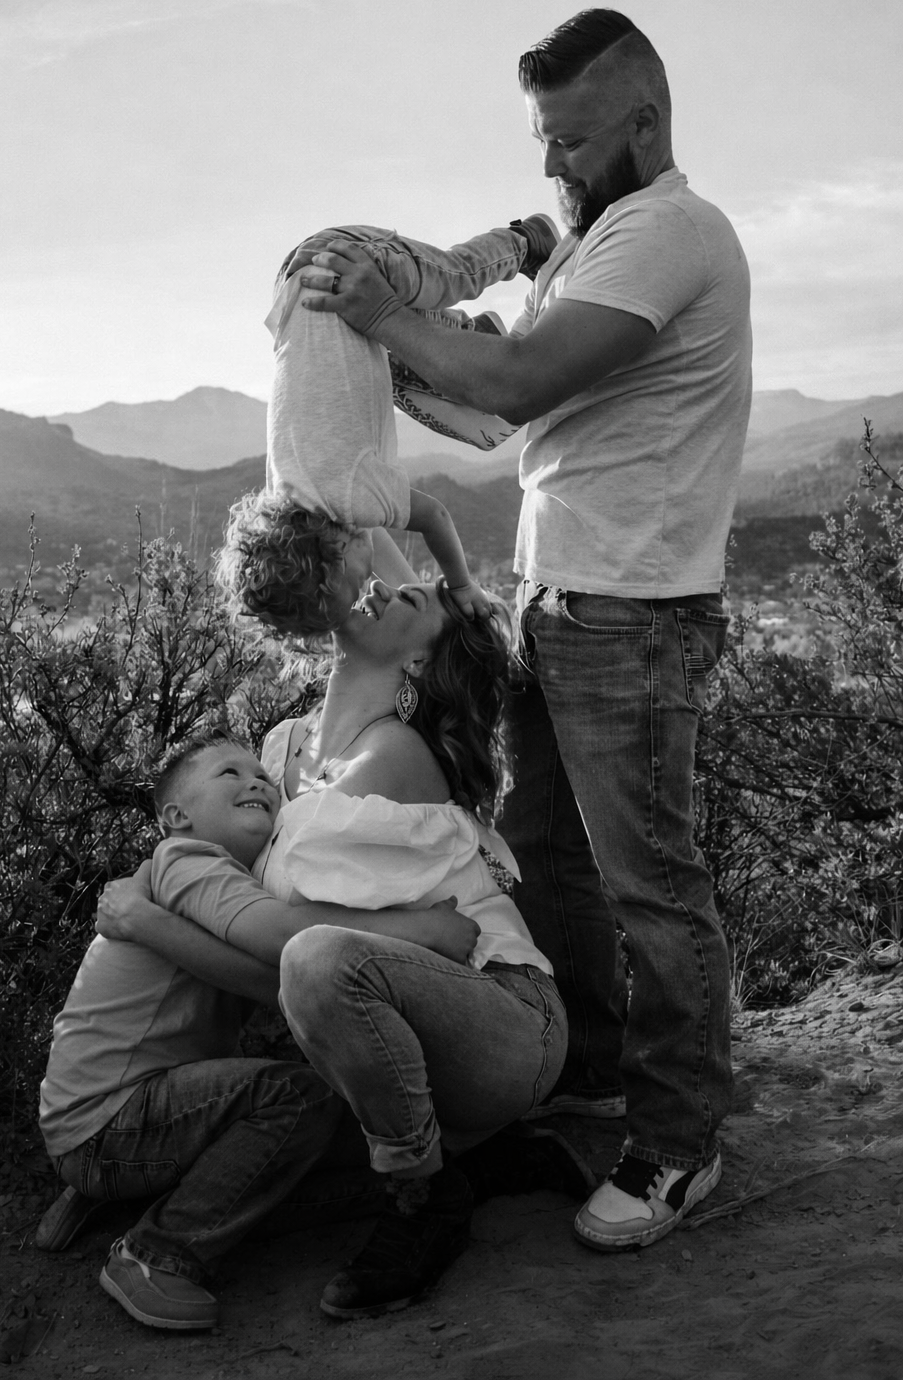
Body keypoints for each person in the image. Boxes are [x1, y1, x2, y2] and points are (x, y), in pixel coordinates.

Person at [290, 8, 752, 1252]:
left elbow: (519, 385)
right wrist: (373, 364)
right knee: (546, 858)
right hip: (564, 599)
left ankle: (677, 1143)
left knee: (649, 881)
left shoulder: (669, 232)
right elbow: (500, 412)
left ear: (645, 121)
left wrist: (390, 315)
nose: (553, 166)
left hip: (636, 612)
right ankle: (596, 1074)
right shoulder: (598, 244)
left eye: (574, 138)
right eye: (542, 137)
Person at [97, 565, 570, 1318]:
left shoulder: (392, 758)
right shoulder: (287, 747)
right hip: (407, 1019)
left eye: (415, 599)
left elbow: (291, 941)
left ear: (414, 661)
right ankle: (483, 1156)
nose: (390, 583)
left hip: (506, 1020)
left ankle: (427, 1200)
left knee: (316, 961)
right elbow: (348, 519)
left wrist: (149, 919)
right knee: (307, 1008)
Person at [37, 731, 480, 1331]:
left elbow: (262, 974)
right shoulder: (186, 861)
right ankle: (157, 1251)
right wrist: (423, 929)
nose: (256, 783)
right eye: (228, 774)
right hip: (113, 1116)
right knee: (297, 1097)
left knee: (346, 1143)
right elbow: (284, 945)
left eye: (262, 776)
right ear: (176, 816)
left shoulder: (213, 881)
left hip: (114, 1120)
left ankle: (124, 1192)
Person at [218, 218, 557, 635]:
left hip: (351, 263)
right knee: (482, 424)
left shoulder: (348, 497)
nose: (369, 586)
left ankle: (524, 243)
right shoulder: (293, 501)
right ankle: (473, 337)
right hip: (311, 293)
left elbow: (435, 516)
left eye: (355, 588)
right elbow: (372, 544)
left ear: (335, 561)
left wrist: (463, 587)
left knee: (455, 274)